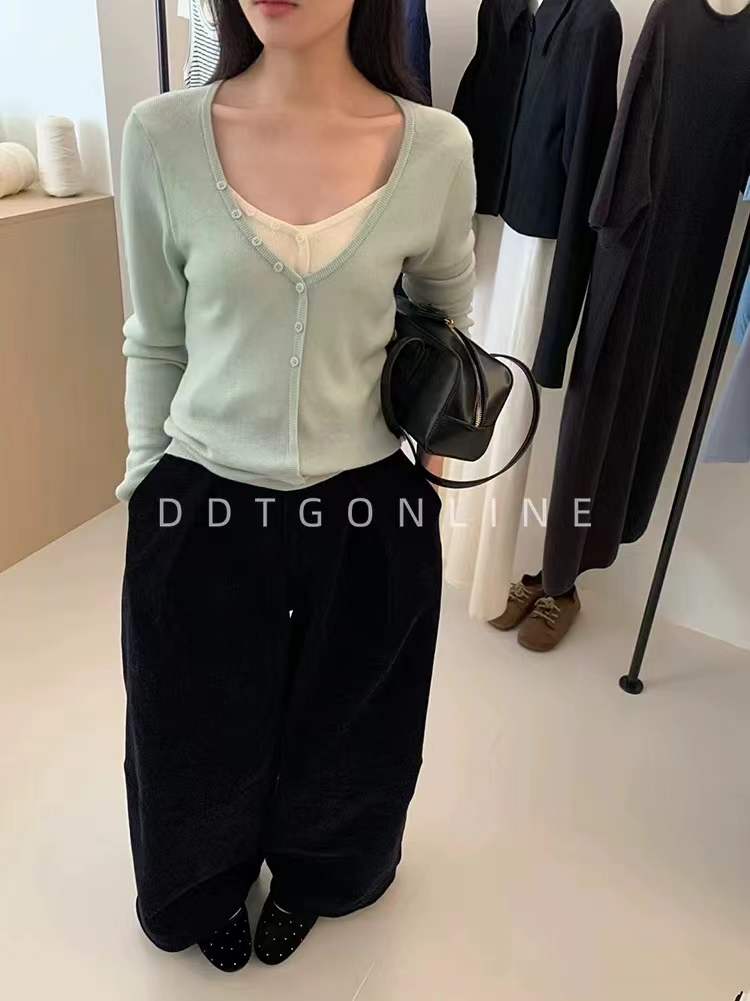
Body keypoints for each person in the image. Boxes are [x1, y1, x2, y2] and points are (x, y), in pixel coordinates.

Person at [117, 0, 476, 972]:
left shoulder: (436, 149)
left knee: (357, 720)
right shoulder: (161, 137)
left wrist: (427, 480)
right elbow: (154, 337)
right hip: (202, 497)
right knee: (191, 723)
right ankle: (201, 881)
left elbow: (444, 319)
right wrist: (147, 484)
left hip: (368, 500)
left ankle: (321, 874)